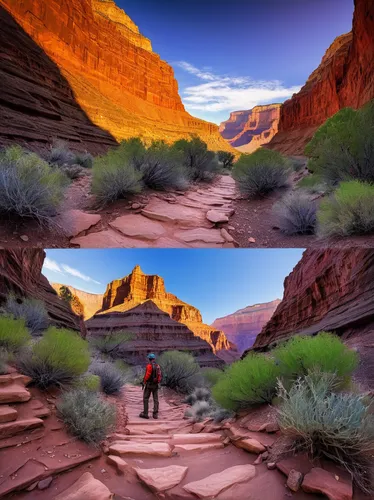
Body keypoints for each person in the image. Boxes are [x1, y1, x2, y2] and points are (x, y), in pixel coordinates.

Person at [139, 353, 162, 419]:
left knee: (146, 398)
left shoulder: (149, 366)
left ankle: (145, 414)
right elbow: (160, 375)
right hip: (155, 385)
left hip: (149, 385)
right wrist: (158, 382)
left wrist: (144, 382)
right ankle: (155, 414)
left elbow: (147, 375)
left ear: (149, 359)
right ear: (154, 359)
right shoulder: (158, 366)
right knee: (156, 399)